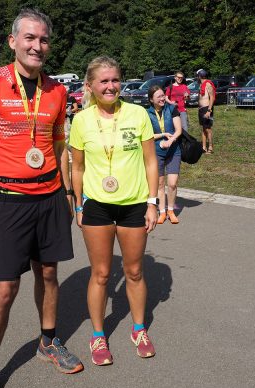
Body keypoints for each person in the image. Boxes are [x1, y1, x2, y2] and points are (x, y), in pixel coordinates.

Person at [0, 8, 83, 388]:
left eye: (44, 39)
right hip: (8, 200)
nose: (37, 45)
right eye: (29, 38)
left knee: (49, 274)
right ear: (13, 42)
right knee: (3, 290)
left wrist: (67, 193)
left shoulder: (57, 90)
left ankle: (48, 341)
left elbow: (59, 143)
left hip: (49, 197)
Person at [69, 56, 158, 366]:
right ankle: (97, 334)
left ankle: (138, 329)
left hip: (134, 205)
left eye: (115, 79)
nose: (110, 86)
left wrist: (152, 202)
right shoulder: (81, 120)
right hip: (97, 206)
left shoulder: (138, 114)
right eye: (103, 81)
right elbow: (77, 167)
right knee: (102, 274)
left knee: (134, 271)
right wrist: (77, 203)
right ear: (91, 86)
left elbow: (150, 161)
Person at [147, 85, 183, 224]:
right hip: (156, 151)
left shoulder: (172, 109)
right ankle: (162, 212)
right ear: (151, 99)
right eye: (159, 97)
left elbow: (179, 130)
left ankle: (171, 210)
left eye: (163, 95)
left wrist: (171, 140)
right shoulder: (147, 113)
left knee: (172, 184)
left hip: (174, 151)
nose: (162, 98)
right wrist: (162, 135)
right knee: (160, 183)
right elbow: (146, 134)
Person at [196, 68, 215, 154]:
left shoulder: (208, 84)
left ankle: (210, 147)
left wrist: (209, 110)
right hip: (201, 109)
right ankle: (203, 147)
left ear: (199, 76)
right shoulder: (201, 84)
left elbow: (212, 97)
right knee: (204, 128)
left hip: (207, 108)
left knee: (208, 129)